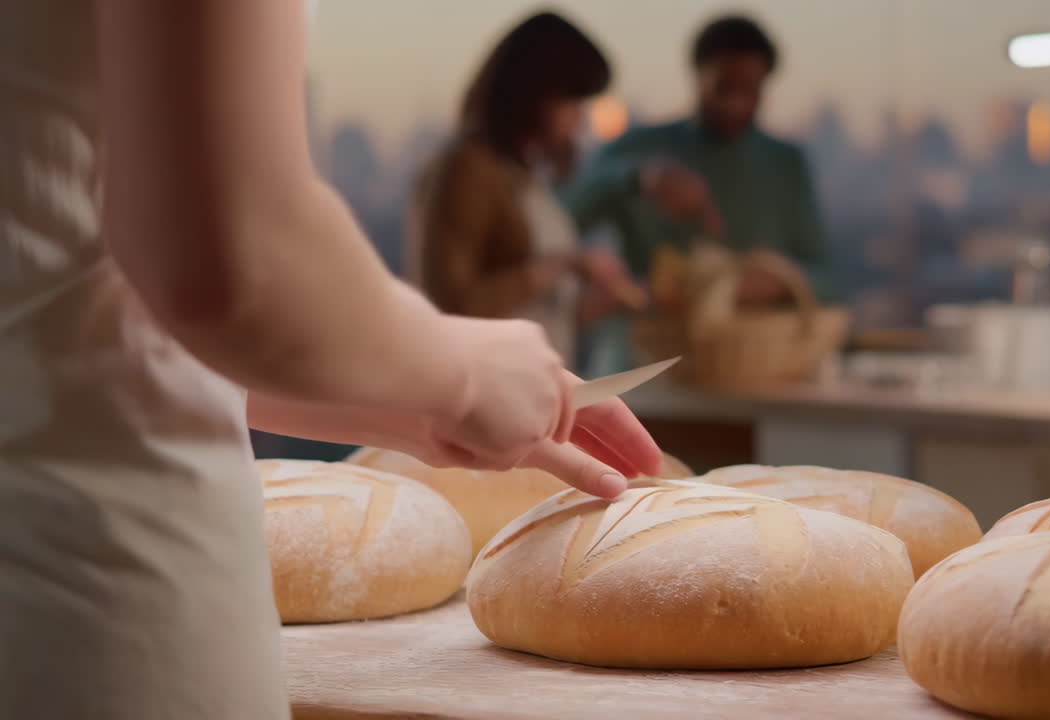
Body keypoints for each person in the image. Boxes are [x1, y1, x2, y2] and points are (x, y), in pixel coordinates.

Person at [0, 1, 661, 718]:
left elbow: (94, 315)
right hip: (97, 603)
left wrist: (423, 407)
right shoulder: (472, 171)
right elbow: (230, 262)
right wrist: (458, 371)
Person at [562, 15, 831, 376]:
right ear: (697, 75)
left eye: (749, 89)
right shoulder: (638, 151)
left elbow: (830, 278)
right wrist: (638, 178)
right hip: (638, 369)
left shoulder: (785, 164)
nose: (736, 102)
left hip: (749, 373)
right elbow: (557, 218)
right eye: (724, 86)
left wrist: (776, 282)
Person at [405, 11, 644, 367]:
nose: (579, 118)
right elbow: (453, 305)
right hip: (484, 397)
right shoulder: (469, 169)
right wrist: (566, 264)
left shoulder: (521, 175)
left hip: (530, 394)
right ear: (532, 93)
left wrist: (596, 305)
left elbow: (532, 317)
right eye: (572, 100)